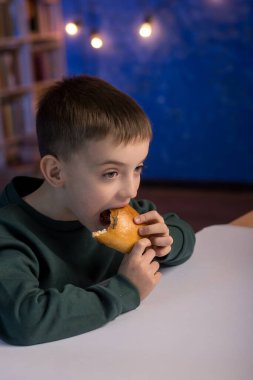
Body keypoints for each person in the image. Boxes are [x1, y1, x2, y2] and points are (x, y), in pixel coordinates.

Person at [0, 75, 195, 346]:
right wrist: (126, 290)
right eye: (111, 173)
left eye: (137, 168)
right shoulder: (9, 234)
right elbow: (24, 320)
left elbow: (183, 231)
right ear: (56, 172)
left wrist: (167, 242)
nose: (131, 191)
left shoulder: (121, 211)